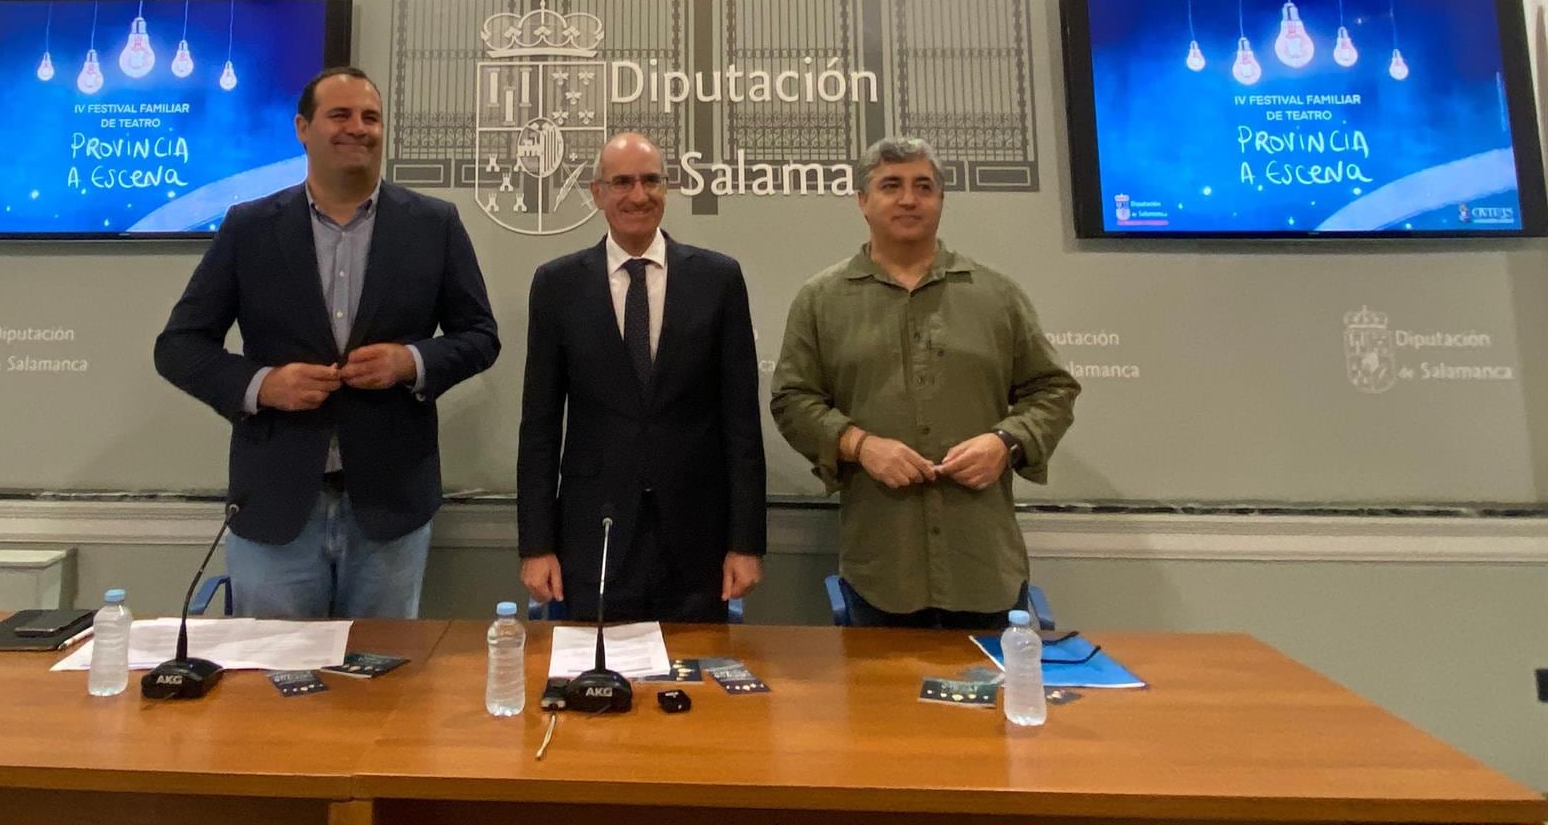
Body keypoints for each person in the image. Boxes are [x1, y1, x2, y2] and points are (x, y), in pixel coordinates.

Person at [154, 66, 499, 618]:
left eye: (371, 117)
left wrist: (410, 362)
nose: (357, 128)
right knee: (272, 681)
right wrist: (263, 385)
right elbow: (178, 346)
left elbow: (480, 337)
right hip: (276, 505)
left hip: (391, 507)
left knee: (378, 685)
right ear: (302, 128)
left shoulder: (433, 224)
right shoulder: (249, 228)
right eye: (339, 115)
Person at [770, 136, 1078, 628]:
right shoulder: (821, 299)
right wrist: (860, 445)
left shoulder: (996, 294)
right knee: (883, 706)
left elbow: (1053, 390)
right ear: (862, 201)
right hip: (881, 568)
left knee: (990, 704)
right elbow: (792, 400)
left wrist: (1006, 442)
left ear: (941, 200)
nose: (909, 199)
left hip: (984, 566)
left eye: (924, 187)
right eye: (891, 185)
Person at [517, 132, 766, 623]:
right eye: (623, 182)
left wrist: (746, 543)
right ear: (597, 193)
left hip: (697, 536)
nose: (638, 195)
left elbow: (742, 422)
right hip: (594, 535)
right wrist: (536, 545)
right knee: (596, 682)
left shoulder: (718, 279)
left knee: (694, 685)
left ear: (666, 189)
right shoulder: (557, 285)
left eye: (651, 180)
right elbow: (540, 426)